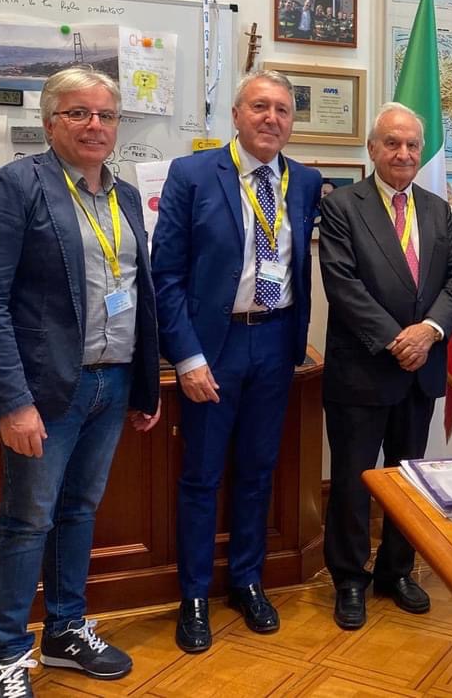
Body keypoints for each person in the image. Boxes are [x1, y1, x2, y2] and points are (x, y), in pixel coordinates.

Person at [0, 68, 161, 697]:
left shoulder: (125, 196)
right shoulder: (18, 186)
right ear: (50, 124)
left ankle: (66, 631)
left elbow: (138, 293)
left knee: (79, 512)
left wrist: (145, 386)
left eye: (106, 115)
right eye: (78, 113)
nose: (94, 125)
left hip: (111, 382)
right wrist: (13, 403)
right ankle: (7, 656)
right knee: (28, 521)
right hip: (46, 394)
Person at [151, 70, 322, 654]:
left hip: (275, 343)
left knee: (257, 470)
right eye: (260, 106)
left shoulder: (305, 180)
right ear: (236, 114)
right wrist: (186, 357)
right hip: (213, 349)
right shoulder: (193, 174)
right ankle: (194, 595)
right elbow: (166, 275)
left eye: (282, 110)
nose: (271, 118)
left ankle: (248, 581)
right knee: (201, 475)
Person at [319, 104, 452, 631]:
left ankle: (396, 571)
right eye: (392, 143)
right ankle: (349, 578)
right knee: (354, 480)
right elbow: (342, 284)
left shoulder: (438, 209)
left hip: (419, 370)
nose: (403, 153)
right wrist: (396, 340)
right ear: (373, 148)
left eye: (411, 145)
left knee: (408, 477)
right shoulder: (343, 207)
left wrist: (430, 332)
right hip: (363, 369)